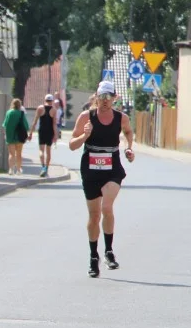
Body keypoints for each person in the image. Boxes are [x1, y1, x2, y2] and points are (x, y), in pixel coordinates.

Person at [69, 80, 135, 278]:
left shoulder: (121, 118)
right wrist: (84, 136)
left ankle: (109, 251)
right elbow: (72, 145)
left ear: (114, 98)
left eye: (109, 97)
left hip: (112, 166)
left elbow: (129, 132)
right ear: (96, 97)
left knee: (107, 207)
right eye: (102, 97)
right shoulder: (85, 117)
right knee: (94, 215)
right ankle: (93, 257)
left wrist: (129, 147)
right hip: (90, 168)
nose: (105, 101)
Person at [30, 94, 58, 178]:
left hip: (42, 131)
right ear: (52, 101)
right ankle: (46, 168)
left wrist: (30, 132)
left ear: (45, 100)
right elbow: (54, 124)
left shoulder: (40, 108)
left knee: (41, 150)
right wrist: (56, 135)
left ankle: (42, 167)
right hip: (50, 132)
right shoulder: (54, 110)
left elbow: (35, 121)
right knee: (48, 151)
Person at [2, 98, 28, 176]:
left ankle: (11, 169)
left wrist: (5, 134)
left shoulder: (9, 113)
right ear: (19, 105)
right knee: (19, 154)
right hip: (19, 136)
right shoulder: (21, 113)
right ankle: (18, 170)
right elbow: (26, 126)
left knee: (11, 154)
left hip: (10, 135)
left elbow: (5, 124)